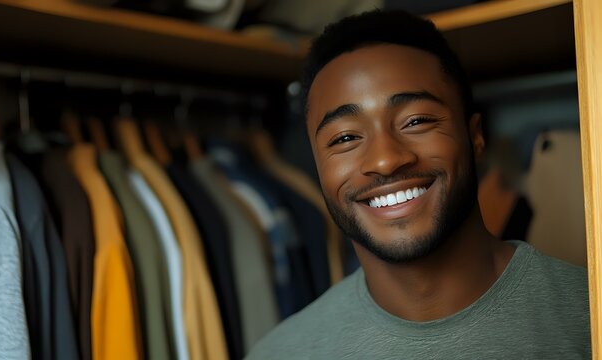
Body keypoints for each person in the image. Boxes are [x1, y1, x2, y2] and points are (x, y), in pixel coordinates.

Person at [247, 9, 591, 359]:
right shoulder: (279, 353)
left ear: (475, 138)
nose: (385, 159)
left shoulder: (589, 319)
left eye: (416, 121)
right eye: (345, 137)